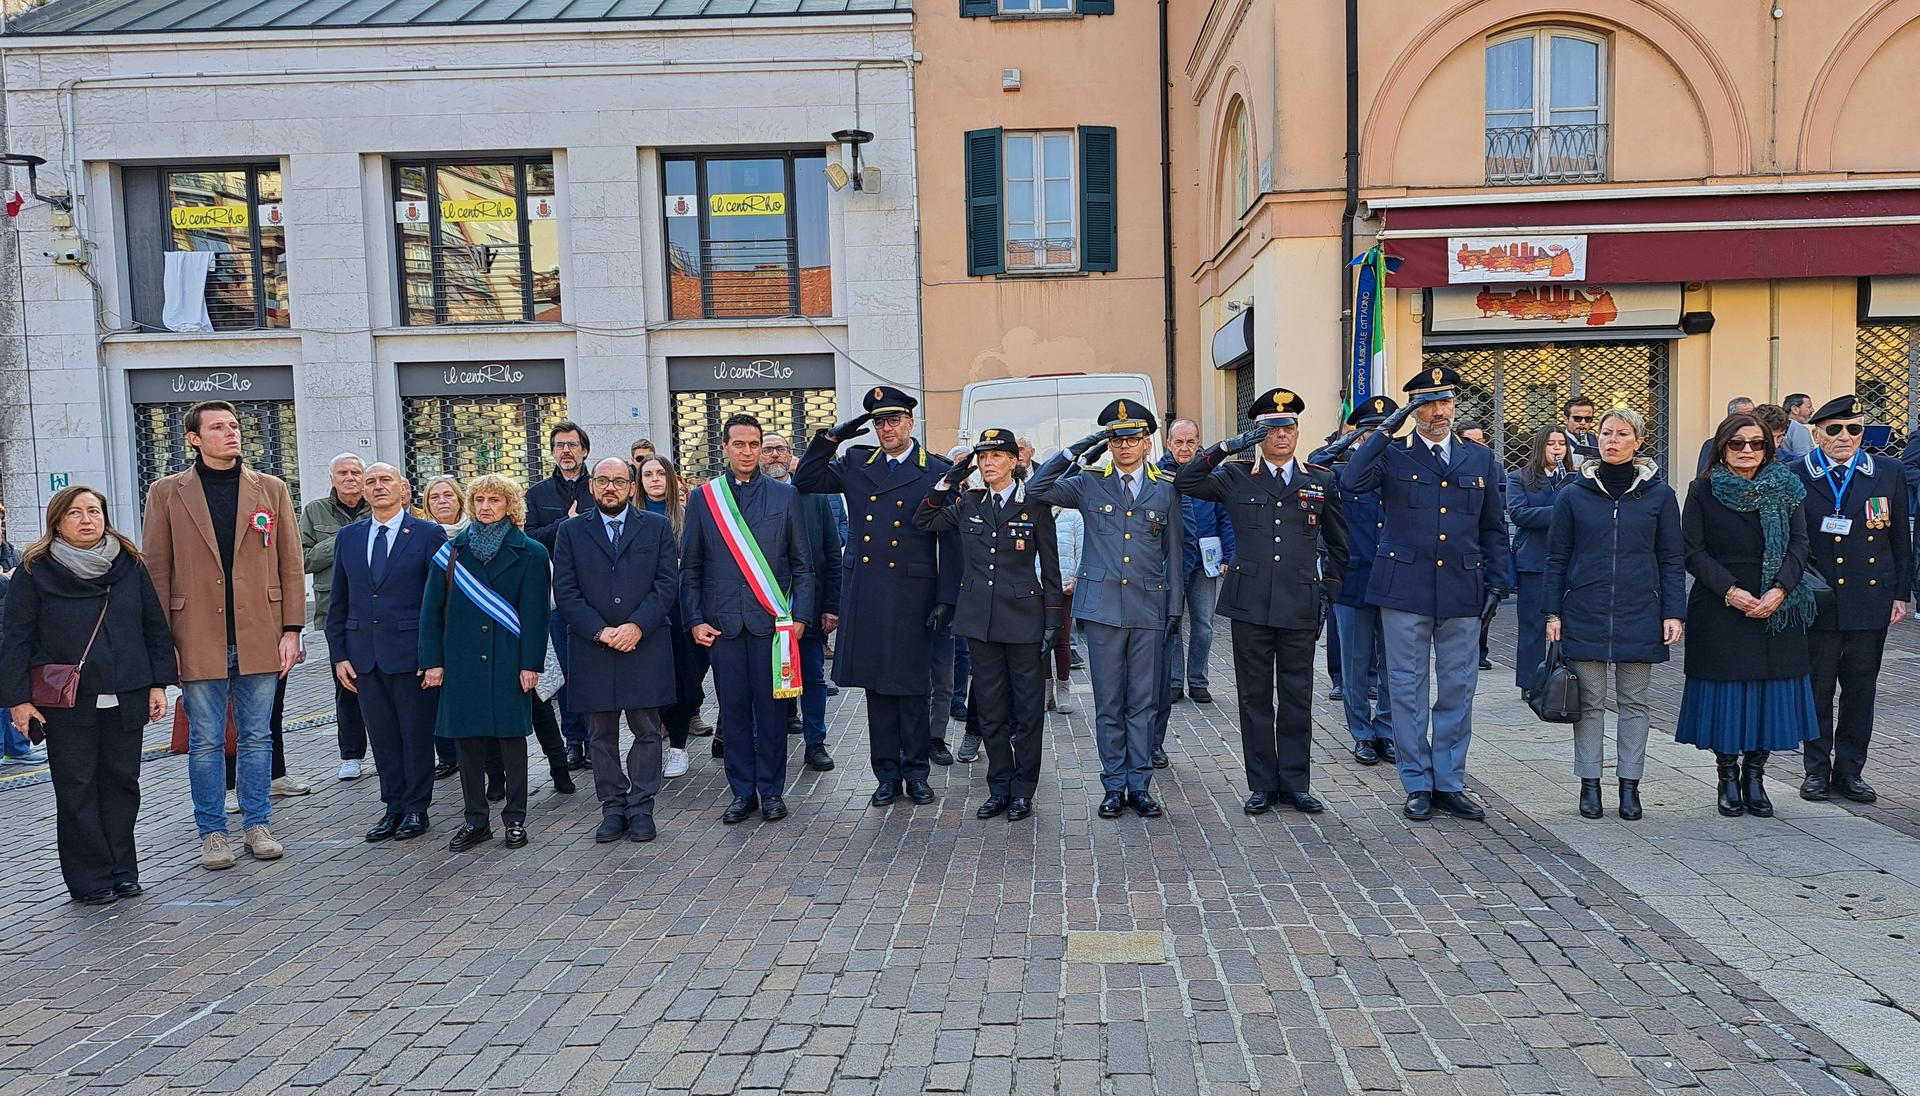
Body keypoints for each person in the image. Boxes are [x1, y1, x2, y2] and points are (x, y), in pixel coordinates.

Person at [1340, 367, 1512, 822]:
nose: (1439, 411)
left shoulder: (1478, 458)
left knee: (1458, 689)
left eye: (1446, 401)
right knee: (1407, 690)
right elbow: (1351, 481)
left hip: (1462, 587)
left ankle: (1449, 782)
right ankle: (1416, 780)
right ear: (1413, 409)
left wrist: (1499, 582)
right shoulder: (1393, 453)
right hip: (1404, 589)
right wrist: (1386, 427)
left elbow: (1493, 526)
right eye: (1427, 403)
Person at [143, 400, 303, 870]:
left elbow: (290, 564)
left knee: (257, 736)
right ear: (194, 438)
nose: (231, 433)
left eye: (234, 426)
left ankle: (258, 823)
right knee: (207, 739)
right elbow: (156, 569)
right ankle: (212, 832)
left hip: (260, 631)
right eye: (218, 427)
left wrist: (291, 629)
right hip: (196, 634)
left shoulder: (270, 489)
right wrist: (163, 642)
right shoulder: (167, 492)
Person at [1178, 388, 1348, 815]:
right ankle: (1261, 784)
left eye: (1288, 427)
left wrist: (1329, 591)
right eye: (1272, 429)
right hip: (1250, 603)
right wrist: (1225, 447)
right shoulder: (1237, 475)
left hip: (1299, 603)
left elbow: (1340, 544)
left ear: (1297, 431)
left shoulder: (1319, 479)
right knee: (1254, 697)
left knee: (1297, 696)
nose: (1282, 435)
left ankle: (1295, 784)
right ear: (1260, 435)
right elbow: (1187, 480)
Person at [0, 487, 174, 904]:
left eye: (93, 511)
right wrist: (18, 700)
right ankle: (89, 879)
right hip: (65, 700)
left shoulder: (128, 563)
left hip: (127, 690)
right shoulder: (35, 568)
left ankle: (123, 871)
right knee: (77, 787)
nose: (86, 519)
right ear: (57, 521)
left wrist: (157, 683)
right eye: (75, 512)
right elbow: (16, 637)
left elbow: (153, 624)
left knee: (122, 783)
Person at [795, 387, 955, 806]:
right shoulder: (856, 462)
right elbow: (807, 479)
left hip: (914, 591)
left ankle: (916, 772)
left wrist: (946, 596)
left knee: (913, 687)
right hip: (867, 590)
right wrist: (832, 438)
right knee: (877, 689)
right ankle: (886, 774)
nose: (886, 429)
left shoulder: (934, 470)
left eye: (894, 420)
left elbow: (951, 540)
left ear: (910, 423)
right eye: (879, 422)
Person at [1030, 399, 1183, 819]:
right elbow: (1036, 489)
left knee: (1143, 701)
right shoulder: (1088, 482)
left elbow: (1174, 553)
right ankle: (1114, 785)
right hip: (1101, 611)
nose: (1125, 446)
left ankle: (1141, 784)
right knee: (1109, 702)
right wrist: (1080, 448)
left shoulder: (1165, 488)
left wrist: (1174, 608)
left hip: (1148, 607)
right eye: (1116, 440)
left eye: (1132, 438)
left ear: (1147, 443)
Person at [1541, 410, 1685, 821]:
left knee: (1634, 702)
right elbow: (1557, 557)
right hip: (1584, 608)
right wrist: (1552, 611)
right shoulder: (1573, 493)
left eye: (1623, 434)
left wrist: (1673, 611)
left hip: (1640, 610)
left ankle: (1629, 785)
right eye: (1606, 433)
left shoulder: (1659, 495)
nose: (1613, 440)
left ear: (1638, 442)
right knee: (1588, 702)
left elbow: (1672, 559)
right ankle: (1589, 785)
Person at [917, 427, 1063, 820]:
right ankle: (999, 787)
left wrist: (1053, 621)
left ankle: (1023, 790)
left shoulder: (1033, 504)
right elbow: (925, 517)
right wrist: (952, 475)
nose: (988, 464)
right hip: (979, 620)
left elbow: (1051, 568)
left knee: (1028, 710)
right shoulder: (969, 503)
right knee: (992, 709)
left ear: (1014, 461)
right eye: (982, 458)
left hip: (1024, 620)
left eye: (996, 456)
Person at [1676, 414, 1818, 818]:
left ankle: (1755, 775)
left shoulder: (1788, 487)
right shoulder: (1702, 490)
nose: (1747, 451)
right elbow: (1693, 552)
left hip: (1778, 606)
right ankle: (1726, 776)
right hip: (1722, 604)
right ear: (1722, 446)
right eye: (1737, 443)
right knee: (1728, 697)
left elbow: (1800, 545)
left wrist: (1779, 590)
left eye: (1756, 444)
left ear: (1768, 448)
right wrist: (1733, 593)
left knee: (1768, 696)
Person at [683, 413, 816, 824]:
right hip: (723, 626)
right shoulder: (706, 497)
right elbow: (690, 566)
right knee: (734, 713)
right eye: (738, 444)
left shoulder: (784, 497)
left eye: (753, 444)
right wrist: (694, 619)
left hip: (771, 626)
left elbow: (803, 565)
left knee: (773, 714)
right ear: (724, 447)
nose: (746, 451)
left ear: (761, 448)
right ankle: (742, 792)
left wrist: (800, 618)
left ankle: (772, 791)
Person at [420, 474, 553, 852]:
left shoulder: (531, 553)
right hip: (460, 662)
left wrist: (531, 664)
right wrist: (432, 661)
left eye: (494, 500)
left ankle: (515, 819)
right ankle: (475, 820)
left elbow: (535, 615)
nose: (485, 507)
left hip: (509, 662)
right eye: (478, 499)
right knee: (468, 745)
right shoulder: (450, 553)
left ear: (509, 505)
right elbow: (432, 612)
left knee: (512, 742)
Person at [553, 458, 681, 844]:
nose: (611, 487)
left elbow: (666, 583)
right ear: (592, 486)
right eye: (603, 481)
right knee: (600, 735)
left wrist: (636, 626)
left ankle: (642, 807)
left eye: (619, 481)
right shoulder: (570, 531)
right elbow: (566, 590)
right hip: (594, 647)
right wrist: (599, 631)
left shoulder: (656, 527)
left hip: (644, 643)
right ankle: (612, 807)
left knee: (646, 730)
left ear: (631, 487)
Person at [1792, 395, 1913, 804]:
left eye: (1854, 429)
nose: (1845, 437)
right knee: (1817, 688)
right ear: (1816, 433)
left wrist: (1902, 593)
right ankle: (1815, 771)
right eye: (1835, 429)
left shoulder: (1887, 471)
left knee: (1861, 690)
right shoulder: (1796, 473)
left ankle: (1850, 771)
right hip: (1818, 599)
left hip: (1869, 596)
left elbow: (1899, 537)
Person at [325, 464, 447, 843]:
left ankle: (416, 808)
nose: (378, 487)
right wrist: (339, 654)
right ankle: (392, 805)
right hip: (364, 655)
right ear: (362, 491)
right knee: (381, 735)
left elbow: (440, 600)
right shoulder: (348, 537)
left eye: (386, 481)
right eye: (371, 483)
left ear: (404, 489)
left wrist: (435, 658)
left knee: (414, 734)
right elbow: (339, 600)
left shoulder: (428, 534)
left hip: (411, 654)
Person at [1312, 398, 1398, 767]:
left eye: (1382, 427)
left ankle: (1388, 731)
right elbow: (1314, 464)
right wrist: (1351, 441)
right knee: (1354, 662)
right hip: (1352, 577)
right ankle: (1361, 732)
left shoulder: (1402, 464)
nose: (1375, 435)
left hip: (1396, 579)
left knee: (1395, 664)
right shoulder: (1342, 468)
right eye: (1367, 428)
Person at [764, 433, 841, 773]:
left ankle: (815, 743)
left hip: (805, 610)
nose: (773, 455)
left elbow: (831, 555)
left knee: (813, 679)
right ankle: (770, 744)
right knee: (766, 683)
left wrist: (831, 606)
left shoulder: (814, 497)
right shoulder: (746, 499)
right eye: (767, 449)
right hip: (763, 611)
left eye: (780, 448)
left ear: (791, 455)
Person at [523, 420, 593, 771]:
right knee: (565, 670)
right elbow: (531, 539)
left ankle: (595, 740)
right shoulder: (537, 494)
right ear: (552, 452)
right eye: (560, 445)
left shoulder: (599, 488)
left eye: (572, 444)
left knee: (592, 669)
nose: (566, 451)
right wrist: (566, 524)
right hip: (555, 595)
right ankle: (574, 740)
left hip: (596, 593)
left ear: (584, 450)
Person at [301, 452, 372, 782]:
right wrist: (344, 539)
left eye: (356, 472)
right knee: (347, 683)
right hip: (335, 611)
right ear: (332, 478)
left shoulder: (378, 505)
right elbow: (303, 559)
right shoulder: (314, 511)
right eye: (343, 472)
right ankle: (351, 754)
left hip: (375, 608)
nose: (350, 478)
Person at [1161, 419, 1233, 706]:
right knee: (1172, 623)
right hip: (1172, 561)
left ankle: (1199, 680)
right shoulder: (1158, 474)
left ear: (1199, 442)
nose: (1184, 447)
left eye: (1190, 442)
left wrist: (1229, 555)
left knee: (1203, 624)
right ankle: (1174, 681)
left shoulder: (1213, 474)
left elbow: (1225, 518)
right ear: (1168, 444)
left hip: (1205, 562)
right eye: (1178, 442)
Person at [639, 455, 698, 780]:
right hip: (642, 611)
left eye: (661, 473)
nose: (655, 479)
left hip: (679, 611)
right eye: (647, 474)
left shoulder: (686, 516)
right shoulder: (630, 516)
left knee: (681, 680)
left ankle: (678, 747)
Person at [1505, 426, 1572, 689]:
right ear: (1540, 447)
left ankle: (1562, 680)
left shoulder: (1574, 480)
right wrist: (1562, 509)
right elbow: (1520, 514)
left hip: (1567, 561)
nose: (1557, 449)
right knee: (1532, 625)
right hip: (1533, 560)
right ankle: (1530, 683)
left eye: (1562, 444)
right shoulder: (1519, 478)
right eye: (1551, 443)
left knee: (1566, 624)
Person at [421, 475, 469, 779]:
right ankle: (448, 756)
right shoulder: (421, 535)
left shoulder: (474, 533)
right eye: (435, 497)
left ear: (459, 500)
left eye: (448, 495)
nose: (442, 501)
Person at [1456, 420, 1500, 671]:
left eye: (1481, 440)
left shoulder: (1489, 464)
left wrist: (1498, 580)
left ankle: (1480, 652)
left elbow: (1493, 521)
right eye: (1472, 440)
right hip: (1456, 561)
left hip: (1478, 557)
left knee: (1484, 613)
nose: (1478, 445)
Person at [0, 502, 41, 767]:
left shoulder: (12, 553)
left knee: (12, 692)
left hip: (9, 636)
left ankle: (17, 747)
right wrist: (6, 579)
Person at [1049, 501, 1082, 714]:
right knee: (1038, 642)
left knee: (1062, 641)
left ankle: (1063, 688)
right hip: (1037, 585)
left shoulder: (1073, 516)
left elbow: (1083, 549)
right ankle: (1044, 690)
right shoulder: (1033, 509)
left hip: (1065, 586)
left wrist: (1077, 579)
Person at [1696, 396, 1758, 476]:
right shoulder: (1712, 444)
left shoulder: (1760, 443)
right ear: (1730, 418)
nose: (1748, 419)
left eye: (1752, 414)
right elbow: (1703, 475)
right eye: (1743, 416)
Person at [1560, 397, 1600, 467]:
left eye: (1588, 419)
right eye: (1577, 418)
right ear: (1566, 419)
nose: (1583, 423)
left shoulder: (1597, 440)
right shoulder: (1556, 441)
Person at [1782, 394, 1815, 459]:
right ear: (1795, 409)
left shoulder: (1781, 425)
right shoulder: (1800, 429)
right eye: (1809, 407)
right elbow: (1803, 457)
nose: (1812, 410)